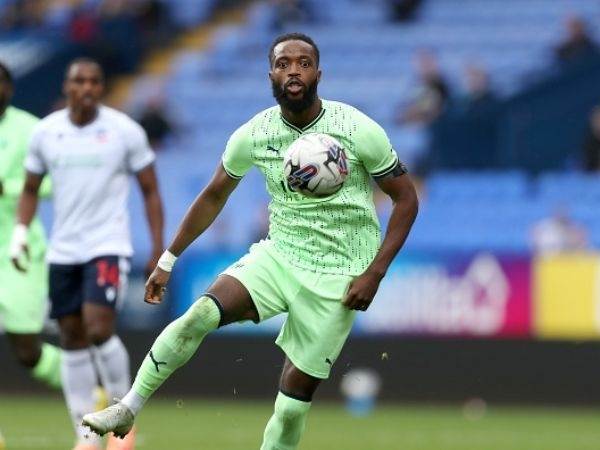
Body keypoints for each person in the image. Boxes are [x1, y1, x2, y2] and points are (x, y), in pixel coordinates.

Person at [83, 33, 418, 450]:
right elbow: (214, 195)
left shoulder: (356, 128)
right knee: (199, 315)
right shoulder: (255, 133)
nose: (293, 70)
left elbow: (406, 199)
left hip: (341, 276)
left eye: (303, 63)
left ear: (318, 73)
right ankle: (128, 406)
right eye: (283, 63)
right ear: (271, 74)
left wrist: (375, 273)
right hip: (280, 256)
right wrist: (168, 259)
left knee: (292, 408)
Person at [11, 58, 164, 450]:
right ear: (67, 87)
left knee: (98, 328)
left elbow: (149, 189)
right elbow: (30, 189)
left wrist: (159, 247)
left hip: (107, 246)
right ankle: (85, 435)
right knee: (72, 337)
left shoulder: (123, 131)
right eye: (80, 81)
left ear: (101, 86)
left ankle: (123, 424)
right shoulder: (47, 132)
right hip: (64, 250)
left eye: (95, 81)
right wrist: (21, 232)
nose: (88, 88)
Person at [0, 62, 62, 390]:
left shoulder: (32, 130)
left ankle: (97, 388)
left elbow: (55, 182)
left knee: (27, 352)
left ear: (8, 88)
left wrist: (9, 188)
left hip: (17, 252)